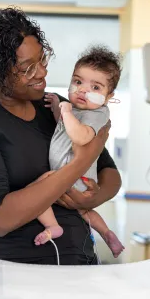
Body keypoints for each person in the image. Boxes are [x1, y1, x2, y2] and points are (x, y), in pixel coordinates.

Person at [0, 7, 122, 265]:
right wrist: (80, 163)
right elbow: (0, 220)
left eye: (42, 60)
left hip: (78, 265)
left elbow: (110, 173)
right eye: (28, 68)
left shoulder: (58, 107)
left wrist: (93, 197)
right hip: (6, 270)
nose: (42, 73)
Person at [33, 46, 125, 259]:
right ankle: (106, 232)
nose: (83, 90)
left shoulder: (97, 114)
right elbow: (64, 128)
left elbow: (81, 136)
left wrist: (65, 110)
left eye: (95, 87)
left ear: (109, 96)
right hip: (78, 178)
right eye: (78, 82)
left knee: (37, 192)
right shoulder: (80, 110)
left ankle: (53, 226)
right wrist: (59, 109)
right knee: (83, 211)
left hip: (70, 175)